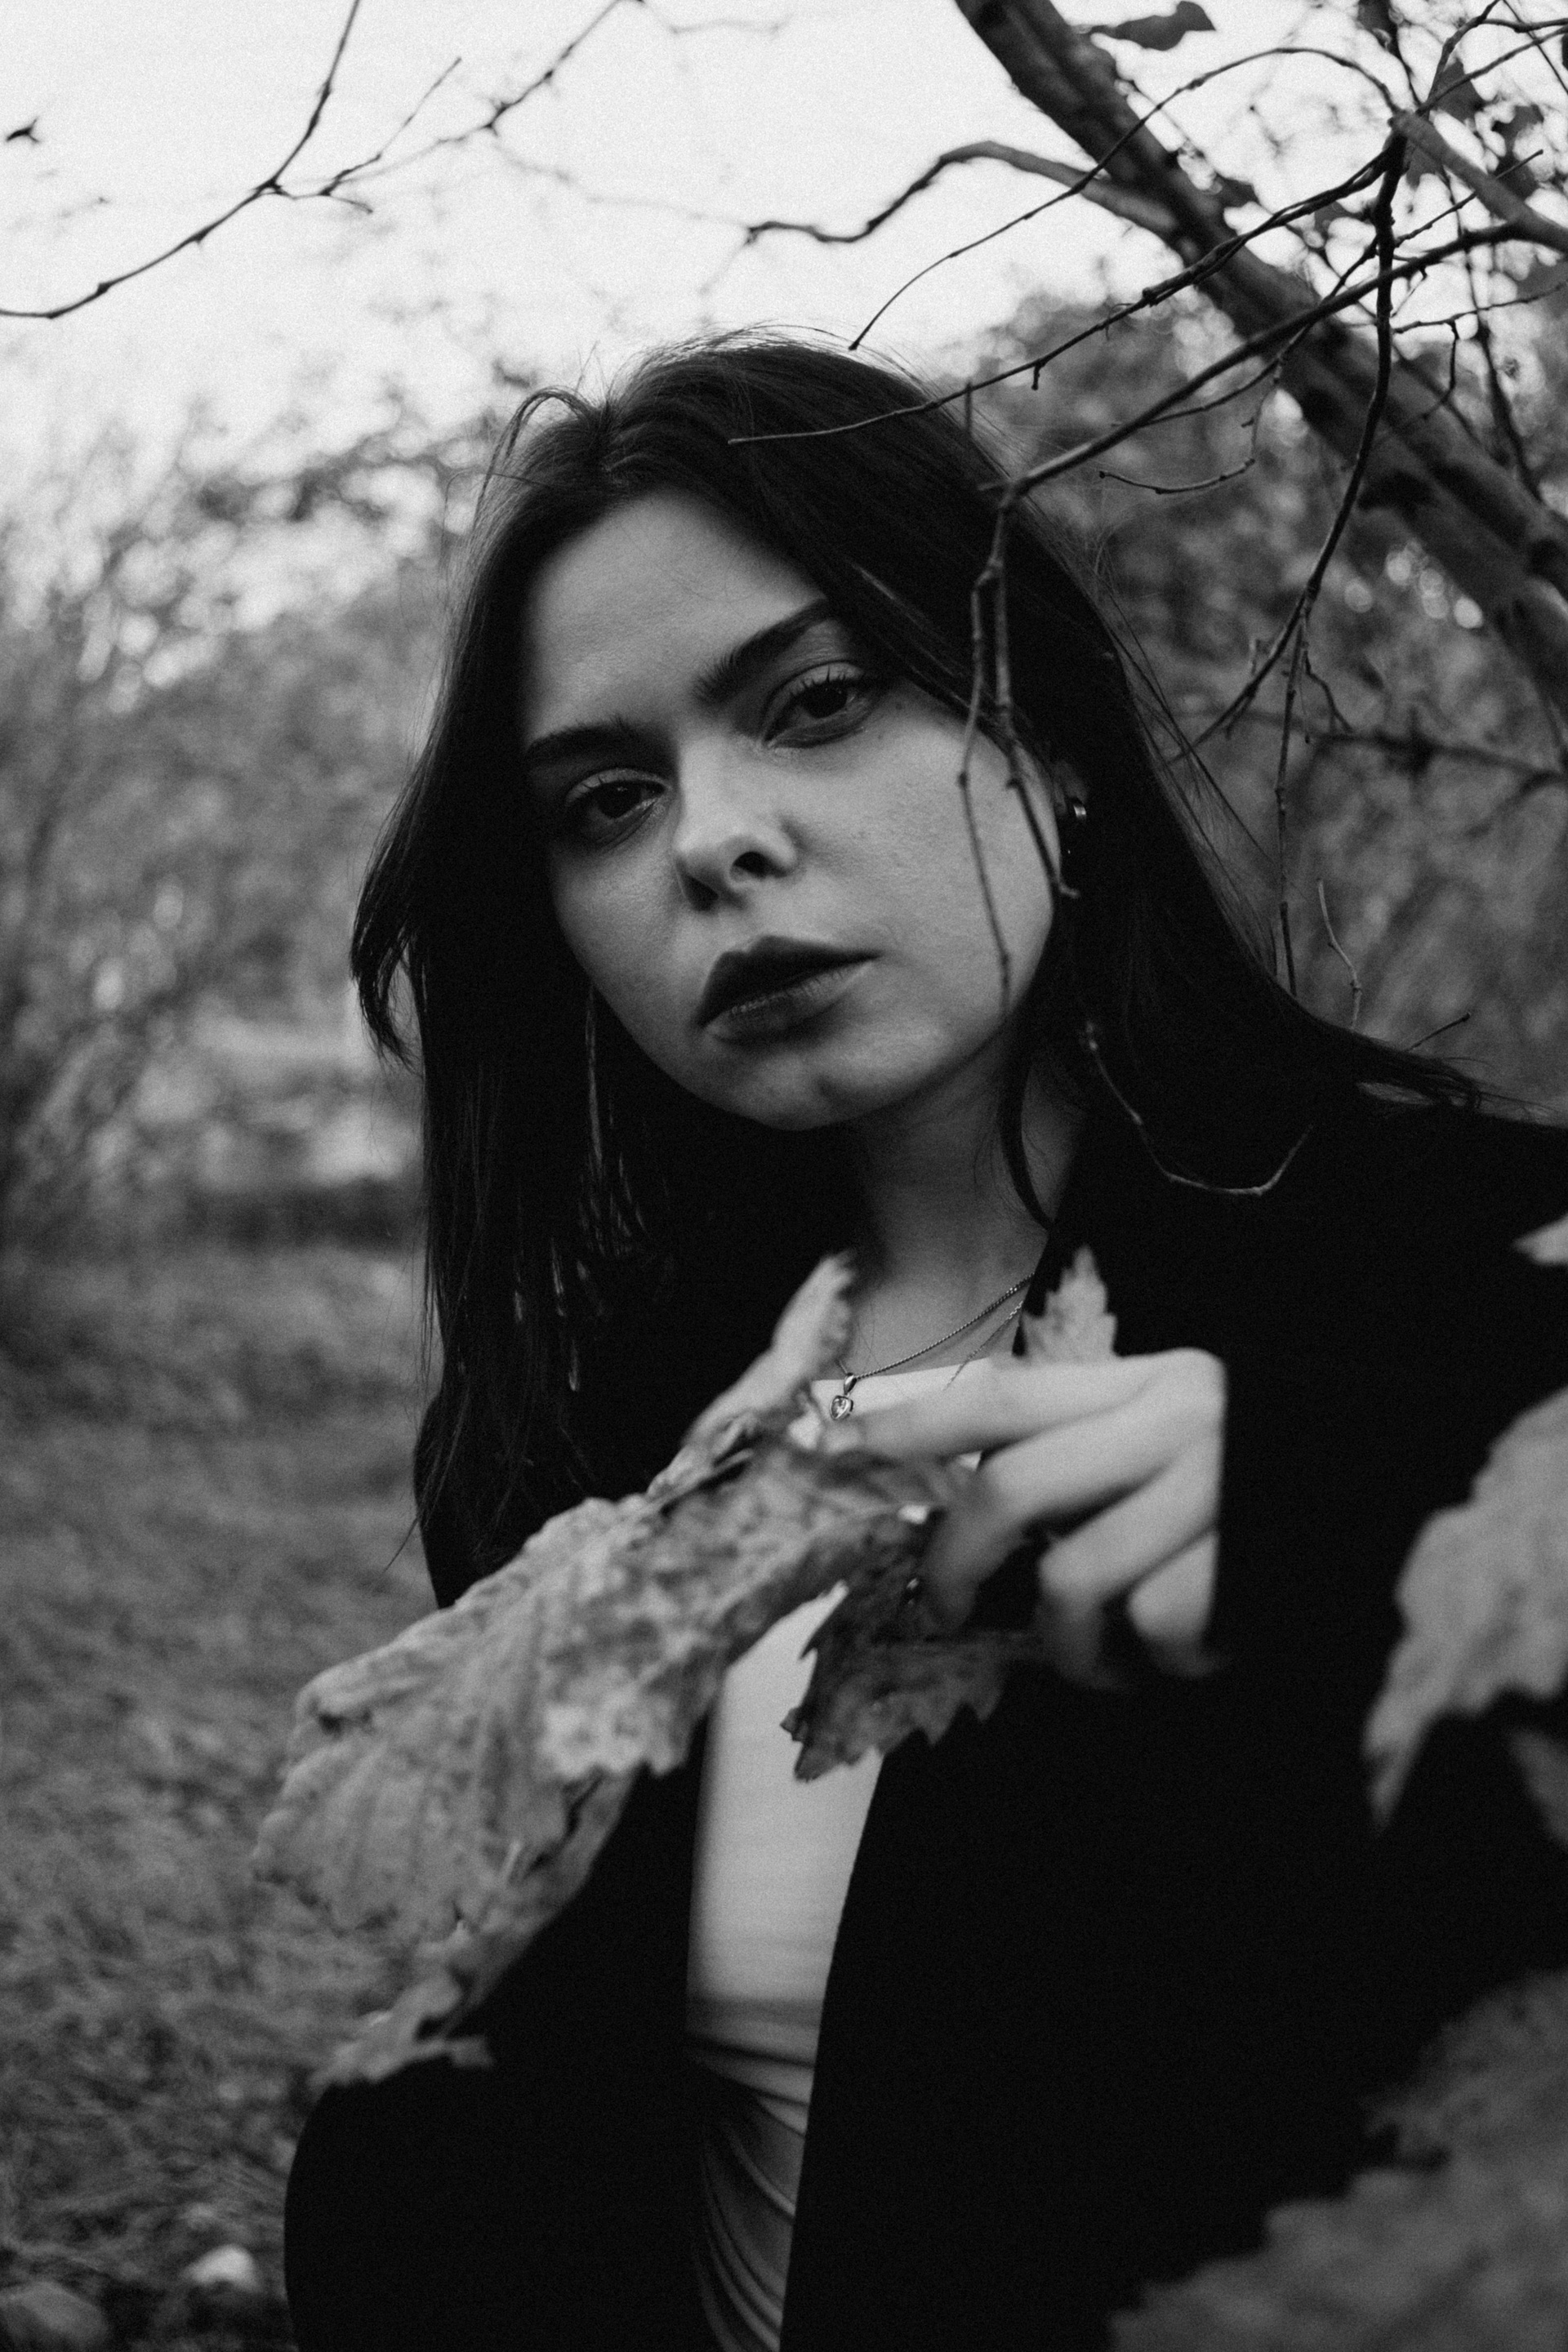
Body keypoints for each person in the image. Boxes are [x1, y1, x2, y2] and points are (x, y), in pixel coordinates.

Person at [283, 334, 1568, 2352]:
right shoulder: (600, 1432)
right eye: (607, 799)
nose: (710, 840)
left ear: (1047, 729)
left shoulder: (1468, 1281)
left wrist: (1355, 1534)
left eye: (815, 703)